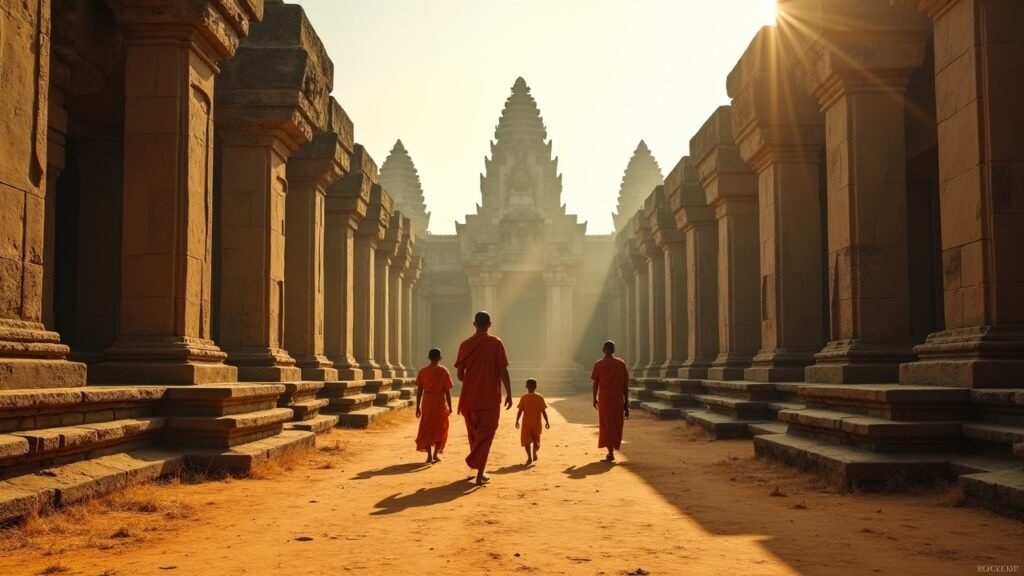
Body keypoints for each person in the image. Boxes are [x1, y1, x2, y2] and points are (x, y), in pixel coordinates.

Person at [455, 311, 513, 485]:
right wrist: (509, 392)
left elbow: (459, 374)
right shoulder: (496, 343)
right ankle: (480, 473)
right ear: (490, 324)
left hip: (469, 398)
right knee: (486, 435)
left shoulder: (465, 345)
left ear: (474, 324)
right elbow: (503, 370)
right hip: (489, 397)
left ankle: (477, 465)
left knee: (474, 433)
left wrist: (473, 379)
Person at [591, 340, 629, 462]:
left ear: (603, 350)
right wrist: (626, 403)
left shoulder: (599, 364)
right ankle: (612, 449)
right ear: (613, 350)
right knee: (616, 425)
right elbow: (625, 385)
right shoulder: (620, 364)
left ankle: (610, 452)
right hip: (617, 400)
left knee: (606, 425)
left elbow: (595, 384)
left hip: (605, 400)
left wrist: (594, 398)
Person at [414, 348, 454, 464]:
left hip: (427, 402)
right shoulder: (444, 371)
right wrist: (450, 406)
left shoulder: (422, 371)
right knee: (440, 428)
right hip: (439, 402)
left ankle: (429, 456)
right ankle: (436, 454)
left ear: (429, 358)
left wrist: (418, 407)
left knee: (427, 427)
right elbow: (447, 391)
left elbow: (419, 390)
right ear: (440, 358)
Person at [515, 378, 550, 466]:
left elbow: (520, 411)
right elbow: (543, 411)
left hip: (526, 423)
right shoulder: (539, 397)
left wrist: (517, 420)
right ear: (536, 387)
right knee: (536, 441)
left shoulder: (524, 397)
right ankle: (533, 454)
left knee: (527, 441)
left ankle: (530, 457)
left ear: (526, 386)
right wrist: (547, 421)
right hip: (536, 423)